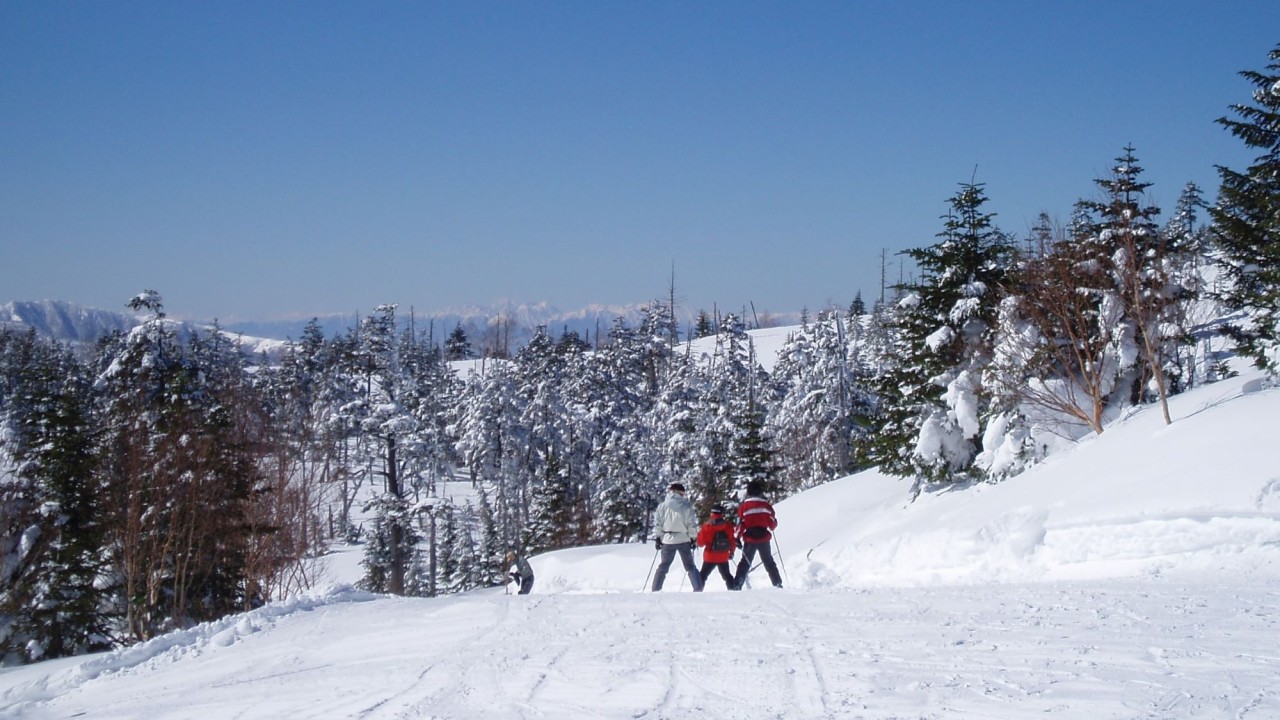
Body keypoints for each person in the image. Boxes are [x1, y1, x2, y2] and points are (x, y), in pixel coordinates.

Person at [650, 482, 704, 592]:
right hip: (683, 539)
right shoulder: (686, 506)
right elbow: (691, 524)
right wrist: (693, 538)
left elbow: (658, 523)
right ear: (680, 492)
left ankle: (656, 589)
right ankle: (698, 588)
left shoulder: (662, 506)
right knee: (690, 566)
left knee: (663, 566)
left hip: (667, 539)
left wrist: (658, 537)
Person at [731, 480, 782, 589]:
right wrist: (774, 523)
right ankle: (777, 583)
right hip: (764, 538)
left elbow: (740, 524)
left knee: (745, 563)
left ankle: (737, 584)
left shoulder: (743, 507)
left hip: (750, 539)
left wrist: (737, 538)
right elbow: (772, 525)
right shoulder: (766, 506)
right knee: (768, 562)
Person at [695, 505, 738, 590]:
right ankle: (733, 591)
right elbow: (732, 541)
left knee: (702, 576)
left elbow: (700, 543)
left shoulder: (707, 526)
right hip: (723, 556)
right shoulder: (728, 526)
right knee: (727, 576)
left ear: (712, 513)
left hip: (709, 556)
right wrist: (732, 552)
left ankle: (697, 592)